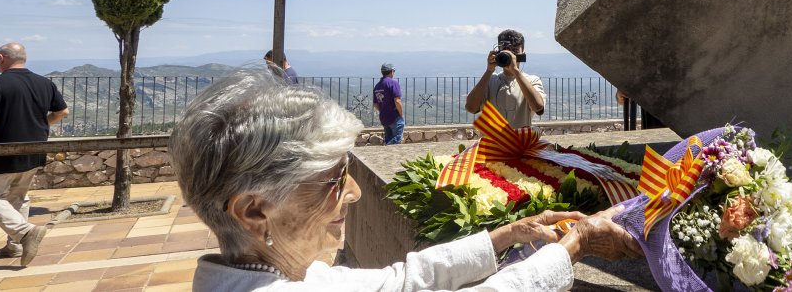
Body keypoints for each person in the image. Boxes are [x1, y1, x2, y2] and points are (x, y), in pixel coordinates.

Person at [170, 71, 641, 290]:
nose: (353, 191)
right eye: (335, 179)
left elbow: (401, 279)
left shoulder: (282, 273)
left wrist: (506, 234)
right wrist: (575, 242)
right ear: (255, 211)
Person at [0, 43, 68, 265]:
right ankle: (14, 246)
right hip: (34, 150)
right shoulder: (44, 83)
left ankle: (25, 232)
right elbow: (62, 111)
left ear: (2, 58)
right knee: (18, 198)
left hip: (1, 151)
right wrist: (40, 124)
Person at [465, 30, 546, 129]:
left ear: (522, 53)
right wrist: (489, 71)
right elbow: (470, 108)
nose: (511, 56)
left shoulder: (532, 81)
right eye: (505, 51)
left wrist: (515, 71)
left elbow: (538, 108)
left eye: (514, 51)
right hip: (492, 143)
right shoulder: (490, 81)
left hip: (519, 142)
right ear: (498, 52)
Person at [372, 63, 405, 145]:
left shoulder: (377, 86)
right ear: (391, 71)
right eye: (394, 71)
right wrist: (401, 114)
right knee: (397, 139)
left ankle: (387, 149)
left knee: (388, 138)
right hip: (394, 116)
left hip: (384, 117)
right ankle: (388, 149)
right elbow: (397, 101)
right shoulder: (393, 83)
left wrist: (383, 110)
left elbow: (375, 104)